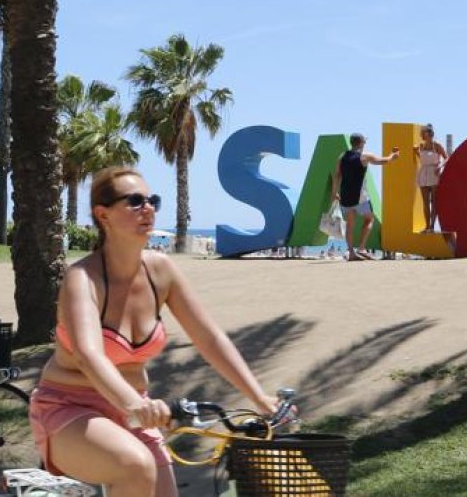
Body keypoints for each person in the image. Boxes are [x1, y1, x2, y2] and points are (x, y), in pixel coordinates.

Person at [30, 167, 280, 497]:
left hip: (132, 412)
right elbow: (90, 356)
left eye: (152, 200)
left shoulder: (161, 270)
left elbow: (209, 338)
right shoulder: (82, 279)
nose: (147, 208)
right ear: (102, 214)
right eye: (134, 201)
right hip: (70, 410)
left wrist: (259, 397)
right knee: (136, 465)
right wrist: (134, 404)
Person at [332, 133, 400, 261]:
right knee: (369, 219)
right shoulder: (364, 156)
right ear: (361, 142)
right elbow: (383, 161)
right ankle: (362, 248)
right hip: (360, 196)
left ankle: (351, 253)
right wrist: (393, 156)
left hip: (345, 196)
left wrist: (334, 192)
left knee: (350, 225)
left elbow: (337, 175)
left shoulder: (342, 156)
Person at [412, 124, 449, 233]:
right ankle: (427, 226)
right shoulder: (421, 146)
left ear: (429, 134)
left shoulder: (436, 145)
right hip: (423, 173)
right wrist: (416, 152)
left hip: (434, 172)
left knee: (434, 201)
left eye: (423, 133)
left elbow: (446, 158)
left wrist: (440, 166)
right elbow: (423, 158)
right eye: (421, 133)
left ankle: (432, 226)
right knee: (425, 202)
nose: (422, 135)